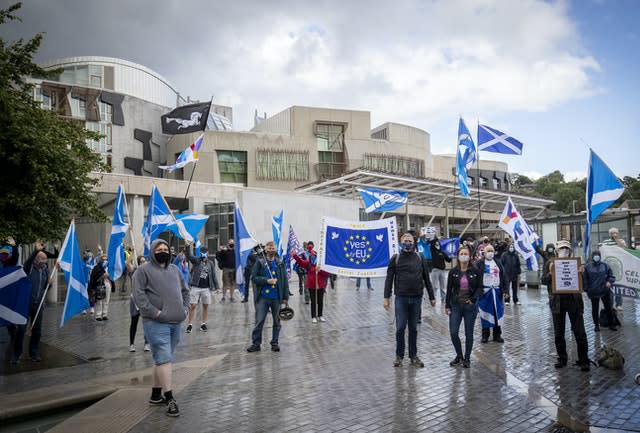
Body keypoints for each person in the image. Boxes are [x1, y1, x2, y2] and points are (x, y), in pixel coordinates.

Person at [132, 239, 190, 417]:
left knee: (162, 359)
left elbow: (185, 291)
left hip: (176, 322)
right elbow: (139, 296)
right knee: (164, 358)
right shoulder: (142, 271)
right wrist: (155, 313)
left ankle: (156, 395)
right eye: (159, 249)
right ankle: (170, 397)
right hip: (155, 323)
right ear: (152, 251)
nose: (163, 251)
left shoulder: (174, 269)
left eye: (165, 249)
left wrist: (185, 309)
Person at [384, 233, 436, 368]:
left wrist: (432, 296)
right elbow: (389, 279)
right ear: (401, 243)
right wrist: (386, 297)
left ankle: (413, 356)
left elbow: (426, 278)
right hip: (401, 298)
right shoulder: (396, 258)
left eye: (410, 241)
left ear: (414, 242)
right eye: (405, 241)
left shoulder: (420, 257)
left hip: (416, 298)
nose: (407, 243)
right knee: (400, 328)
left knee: (413, 328)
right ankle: (399, 356)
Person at [542, 240, 590, 371]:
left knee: (580, 332)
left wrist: (582, 273)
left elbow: (584, 285)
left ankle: (584, 360)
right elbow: (543, 281)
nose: (564, 251)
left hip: (574, 302)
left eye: (566, 249)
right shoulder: (549, 263)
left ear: (570, 251)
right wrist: (550, 274)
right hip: (557, 303)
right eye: (562, 249)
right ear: (557, 251)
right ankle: (562, 358)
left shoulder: (577, 263)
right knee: (559, 333)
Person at [247, 241, 289, 352]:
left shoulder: (280, 262)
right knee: (259, 321)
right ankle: (256, 343)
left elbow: (284, 280)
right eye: (269, 248)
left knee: (277, 321)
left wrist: (285, 297)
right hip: (263, 298)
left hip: (276, 298)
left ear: (275, 249)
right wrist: (266, 280)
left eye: (273, 247)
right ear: (265, 249)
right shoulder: (260, 262)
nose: (271, 249)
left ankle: (274, 343)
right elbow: (254, 278)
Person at [445, 246, 483, 368]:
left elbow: (480, 287)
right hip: (455, 305)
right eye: (461, 253)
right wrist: (447, 305)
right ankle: (459, 355)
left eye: (466, 253)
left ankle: (467, 358)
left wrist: (473, 299)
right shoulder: (453, 272)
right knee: (454, 332)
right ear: (458, 256)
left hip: (470, 307)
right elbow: (449, 289)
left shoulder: (475, 271)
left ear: (470, 256)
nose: (463, 256)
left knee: (469, 334)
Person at [8, 248, 47, 363]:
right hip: (26, 304)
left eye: (45, 259)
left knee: (37, 331)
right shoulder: (29, 269)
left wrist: (49, 284)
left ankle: (33, 353)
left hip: (38, 305)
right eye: (42, 258)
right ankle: (16, 354)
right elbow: (28, 262)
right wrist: (35, 250)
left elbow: (44, 288)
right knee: (21, 330)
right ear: (36, 260)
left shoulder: (45, 271)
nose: (45, 261)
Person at [475, 244, 508, 343]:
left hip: (497, 292)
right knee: (485, 314)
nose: (490, 253)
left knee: (497, 313)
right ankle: (485, 334)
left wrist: (505, 291)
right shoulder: (479, 263)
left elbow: (504, 276)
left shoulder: (497, 262)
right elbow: (475, 278)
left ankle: (497, 334)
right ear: (484, 253)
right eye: (488, 251)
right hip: (485, 293)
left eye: (491, 251)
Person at [293, 241, 330, 323]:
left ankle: (320, 315)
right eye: (311, 256)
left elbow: (327, 274)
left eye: (314, 256)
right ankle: (313, 316)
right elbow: (301, 262)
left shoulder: (321, 265)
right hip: (312, 285)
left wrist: (320, 270)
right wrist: (295, 256)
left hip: (320, 285)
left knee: (320, 301)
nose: (313, 258)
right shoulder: (308, 264)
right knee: (313, 301)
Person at [184, 245, 219, 333]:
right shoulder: (197, 260)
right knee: (193, 305)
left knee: (206, 306)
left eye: (205, 252)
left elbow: (213, 275)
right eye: (202, 252)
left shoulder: (210, 263)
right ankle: (190, 324)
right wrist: (187, 247)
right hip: (196, 286)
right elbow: (189, 256)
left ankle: (203, 324)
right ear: (200, 253)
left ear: (208, 253)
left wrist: (217, 287)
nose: (204, 253)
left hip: (206, 287)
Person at [583, 249, 616, 332]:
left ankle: (611, 324)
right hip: (593, 292)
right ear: (592, 256)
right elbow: (585, 280)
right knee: (595, 309)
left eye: (597, 255)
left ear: (600, 256)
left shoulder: (605, 266)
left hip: (605, 291)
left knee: (608, 308)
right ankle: (596, 325)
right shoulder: (587, 267)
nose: (596, 257)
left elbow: (611, 276)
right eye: (595, 255)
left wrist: (609, 282)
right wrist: (587, 291)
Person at [602, 227, 626, 311]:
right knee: (610, 286)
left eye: (615, 233)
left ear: (618, 233)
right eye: (612, 233)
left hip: (618, 266)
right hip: (609, 267)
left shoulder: (621, 241)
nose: (614, 234)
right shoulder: (606, 242)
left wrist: (616, 240)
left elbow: (623, 248)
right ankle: (610, 304)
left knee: (619, 285)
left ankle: (619, 304)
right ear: (609, 234)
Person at [129, 256, 150, 352]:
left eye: (144, 261)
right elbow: (127, 264)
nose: (143, 263)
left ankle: (147, 343)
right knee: (134, 322)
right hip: (135, 301)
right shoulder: (134, 271)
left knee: (146, 323)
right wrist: (131, 254)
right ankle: (132, 344)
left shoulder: (148, 273)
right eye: (141, 261)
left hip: (145, 300)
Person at [88, 253, 114, 321]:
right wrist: (102, 275)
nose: (105, 260)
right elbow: (94, 277)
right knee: (99, 300)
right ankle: (98, 315)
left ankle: (105, 314)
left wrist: (109, 276)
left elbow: (112, 276)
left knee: (106, 300)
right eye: (103, 259)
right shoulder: (97, 267)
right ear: (101, 259)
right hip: (99, 285)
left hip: (108, 284)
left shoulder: (109, 267)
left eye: (106, 259)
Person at [430, 236, 452, 303]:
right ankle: (433, 299)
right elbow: (432, 242)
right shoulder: (433, 250)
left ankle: (443, 299)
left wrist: (451, 254)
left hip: (442, 271)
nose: (437, 245)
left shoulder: (443, 252)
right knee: (435, 286)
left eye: (438, 244)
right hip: (435, 270)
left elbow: (448, 260)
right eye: (436, 244)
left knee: (443, 287)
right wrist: (437, 238)